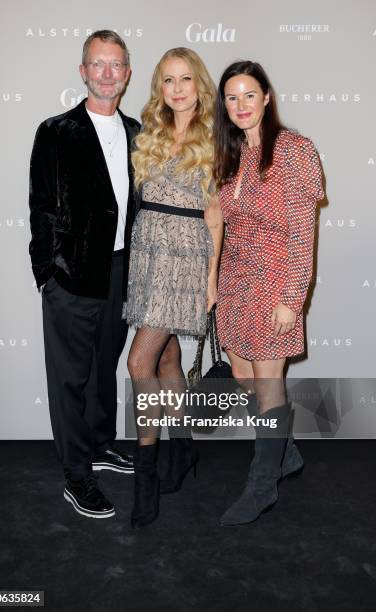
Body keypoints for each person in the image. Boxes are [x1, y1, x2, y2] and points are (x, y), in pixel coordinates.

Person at [28, 30, 140, 519]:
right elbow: (41, 209)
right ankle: (77, 475)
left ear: (128, 73)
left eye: (116, 64)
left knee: (103, 369)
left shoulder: (139, 132)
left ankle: (99, 444)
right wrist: (47, 276)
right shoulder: (56, 131)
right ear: (83, 72)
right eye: (99, 64)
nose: (108, 73)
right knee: (70, 379)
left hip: (121, 272)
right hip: (71, 278)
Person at [213, 61, 324, 525]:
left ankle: (262, 485)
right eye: (232, 97)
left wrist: (290, 297)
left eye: (249, 95)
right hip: (235, 284)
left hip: (275, 282)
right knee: (245, 376)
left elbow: (302, 231)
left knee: (269, 382)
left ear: (267, 98)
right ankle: (287, 453)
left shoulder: (295, 150)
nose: (240, 105)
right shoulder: (230, 155)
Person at [125, 48, 222, 528]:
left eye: (186, 79)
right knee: (165, 358)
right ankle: (183, 450)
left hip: (184, 257)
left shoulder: (215, 138)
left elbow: (216, 216)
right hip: (147, 254)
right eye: (168, 80)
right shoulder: (151, 134)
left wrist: (211, 279)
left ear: (198, 84)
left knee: (139, 361)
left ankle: (146, 478)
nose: (178, 88)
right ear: (158, 87)